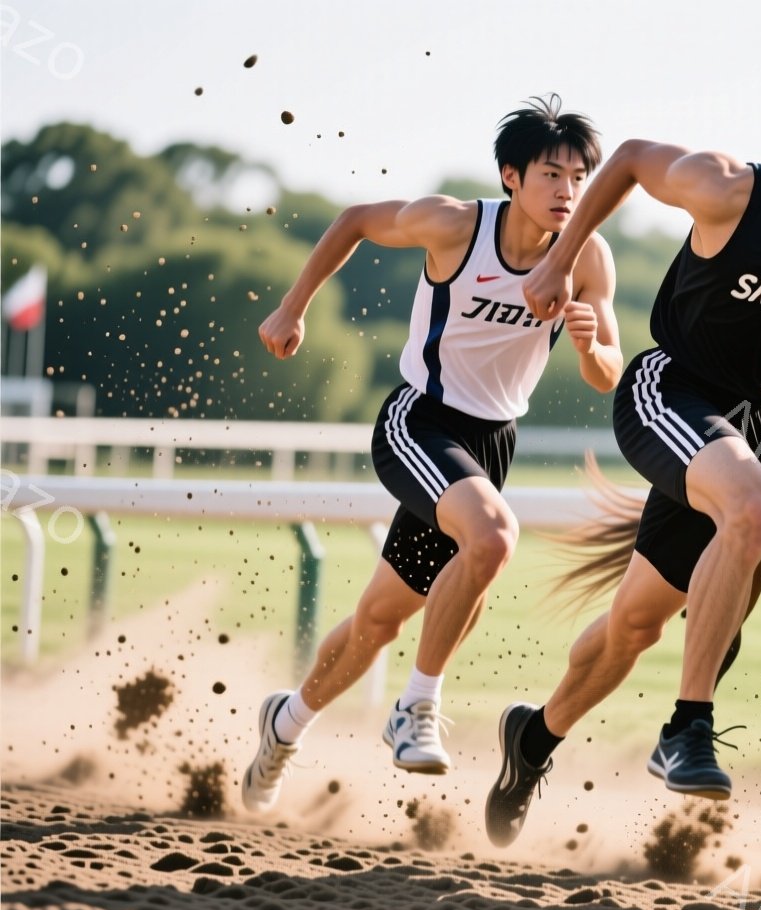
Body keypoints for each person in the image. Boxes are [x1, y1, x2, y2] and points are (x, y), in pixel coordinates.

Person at [484, 50, 761, 847]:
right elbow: (626, 162)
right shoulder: (725, 189)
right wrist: (558, 258)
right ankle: (688, 725)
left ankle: (533, 737)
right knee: (753, 508)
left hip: (749, 423)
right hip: (669, 390)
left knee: (635, 627)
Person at [241, 95, 621, 812]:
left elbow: (608, 372)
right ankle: (416, 707)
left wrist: (589, 342)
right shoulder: (455, 225)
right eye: (552, 174)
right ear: (512, 176)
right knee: (494, 536)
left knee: (380, 621)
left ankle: (284, 724)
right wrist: (291, 308)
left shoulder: (589, 255)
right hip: (419, 421)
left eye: (579, 177)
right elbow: (354, 220)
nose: (568, 191)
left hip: (490, 443)